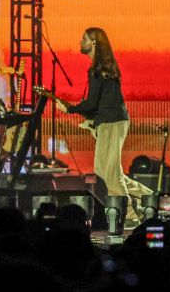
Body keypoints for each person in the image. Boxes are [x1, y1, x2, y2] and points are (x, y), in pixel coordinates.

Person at [55, 27, 152, 234]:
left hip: (112, 122)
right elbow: (100, 102)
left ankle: (129, 215)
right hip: (109, 121)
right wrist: (90, 120)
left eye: (84, 39)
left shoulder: (98, 70)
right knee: (105, 171)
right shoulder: (102, 68)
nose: (80, 41)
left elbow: (91, 103)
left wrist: (70, 108)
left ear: (94, 43)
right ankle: (149, 197)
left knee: (110, 172)